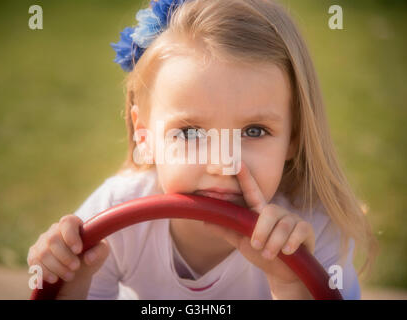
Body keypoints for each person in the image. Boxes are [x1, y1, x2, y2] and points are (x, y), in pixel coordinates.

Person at [27, 0, 377, 299]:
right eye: (191, 132)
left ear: (293, 138)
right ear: (145, 137)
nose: (223, 164)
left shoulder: (312, 230)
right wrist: (70, 284)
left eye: (254, 131)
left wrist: (291, 284)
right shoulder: (116, 215)